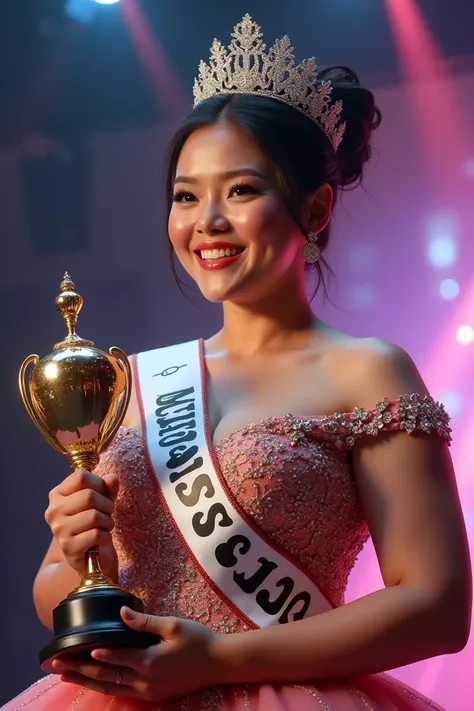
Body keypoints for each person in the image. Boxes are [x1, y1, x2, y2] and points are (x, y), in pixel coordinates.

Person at [3, 14, 471, 711]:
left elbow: (438, 606)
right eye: (186, 196)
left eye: (242, 190)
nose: (207, 221)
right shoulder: (135, 382)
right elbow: (56, 596)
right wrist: (72, 551)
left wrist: (219, 658)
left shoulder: (366, 372)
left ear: (314, 209)